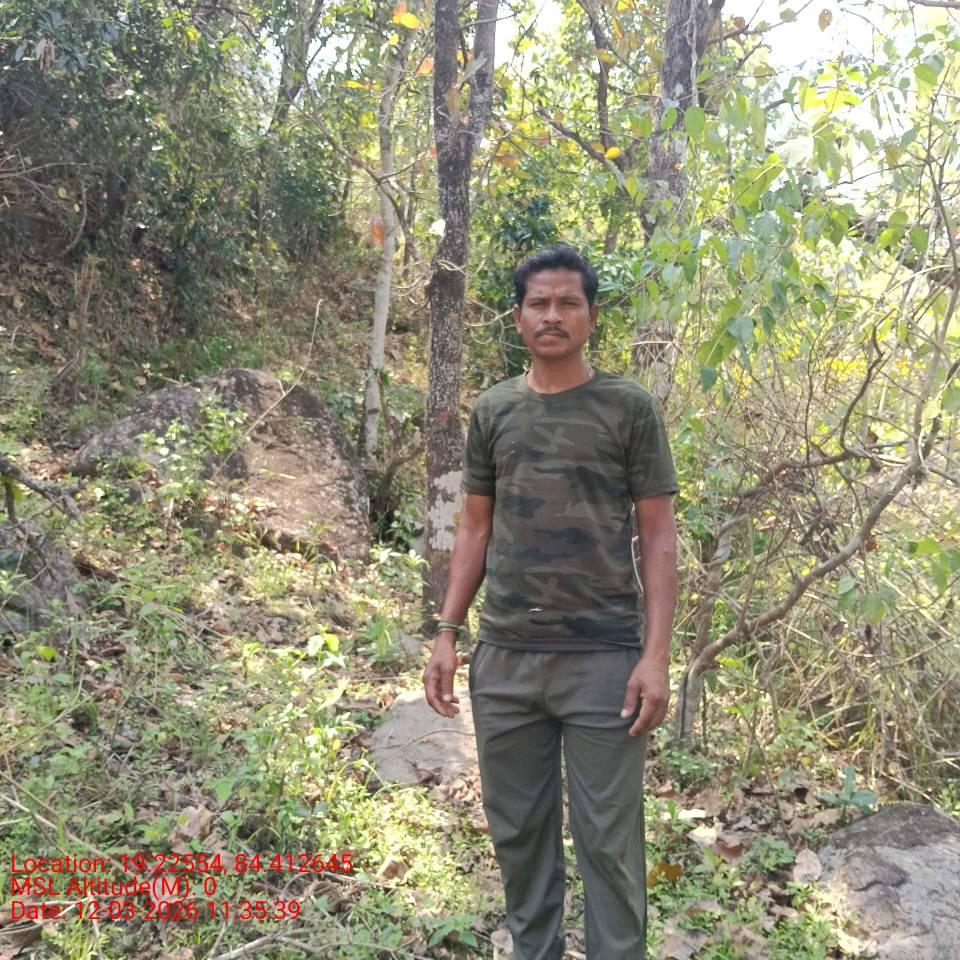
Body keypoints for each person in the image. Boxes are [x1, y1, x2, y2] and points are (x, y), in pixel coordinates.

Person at [423, 244, 679, 960]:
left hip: (603, 662)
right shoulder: (494, 408)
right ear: (517, 317)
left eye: (569, 302)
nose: (553, 315)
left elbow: (659, 535)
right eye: (539, 303)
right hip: (505, 659)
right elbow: (475, 526)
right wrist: (447, 631)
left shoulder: (628, 408)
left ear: (591, 316)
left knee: (609, 844)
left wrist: (656, 657)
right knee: (519, 836)